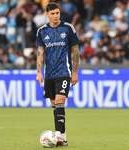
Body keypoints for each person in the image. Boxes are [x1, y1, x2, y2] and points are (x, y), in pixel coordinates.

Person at [36, 2, 80, 147]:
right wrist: (39, 72)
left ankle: (58, 136)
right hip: (49, 74)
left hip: (64, 71)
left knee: (60, 101)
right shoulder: (41, 31)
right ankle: (63, 137)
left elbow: (75, 51)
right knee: (55, 105)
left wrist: (74, 72)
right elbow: (40, 53)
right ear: (47, 14)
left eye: (57, 13)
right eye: (52, 13)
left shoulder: (68, 28)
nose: (55, 16)